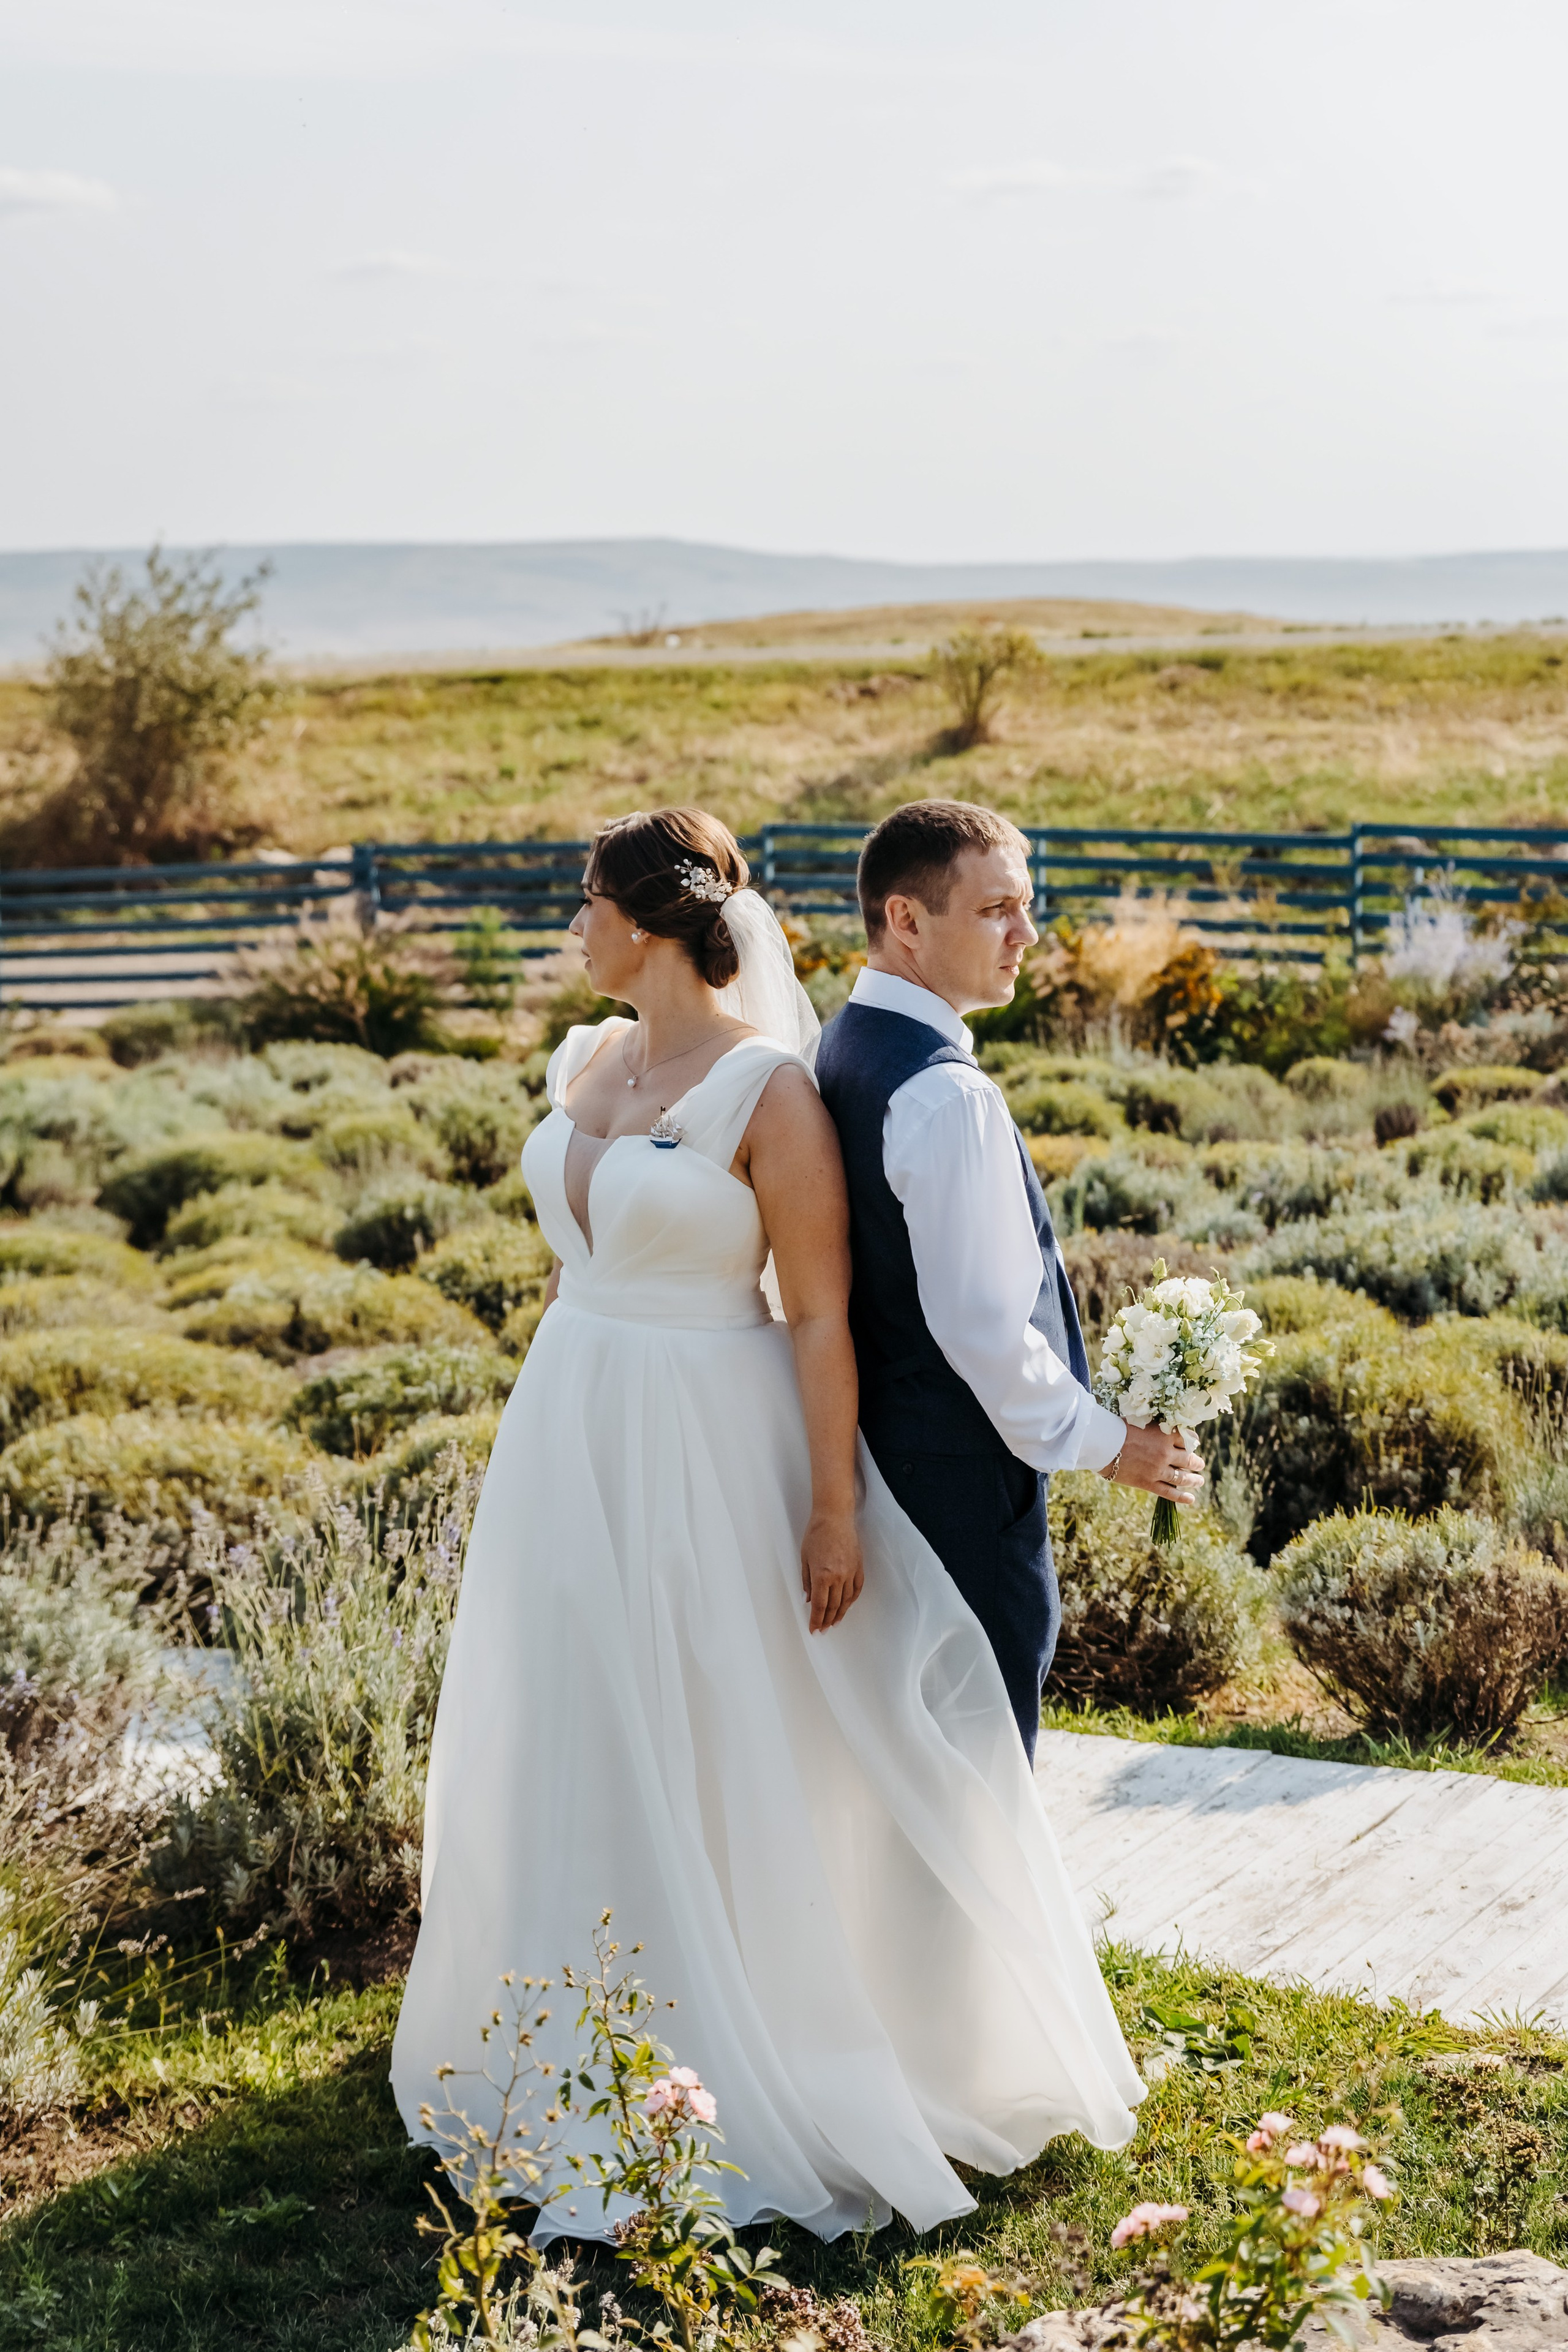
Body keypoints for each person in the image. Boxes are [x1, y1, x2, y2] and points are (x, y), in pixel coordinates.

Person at [391, 805, 1146, 2244]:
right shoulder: (589, 1057)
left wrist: (826, 1508)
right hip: (575, 1430)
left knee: (706, 1724)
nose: (574, 928)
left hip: (704, 1440)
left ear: (652, 921)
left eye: (587, 905)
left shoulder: (773, 1094)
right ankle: (572, 2017)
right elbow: (576, 1258)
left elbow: (816, 1320)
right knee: (578, 1718)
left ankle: (739, 2042)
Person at [816, 799, 1204, 1760]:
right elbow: (985, 1332)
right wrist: (1116, 1448)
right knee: (980, 1777)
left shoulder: (847, 1043)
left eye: (1026, 907)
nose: (1028, 935)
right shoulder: (945, 1095)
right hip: (959, 1494)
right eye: (998, 911)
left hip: (884, 1469)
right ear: (906, 921)